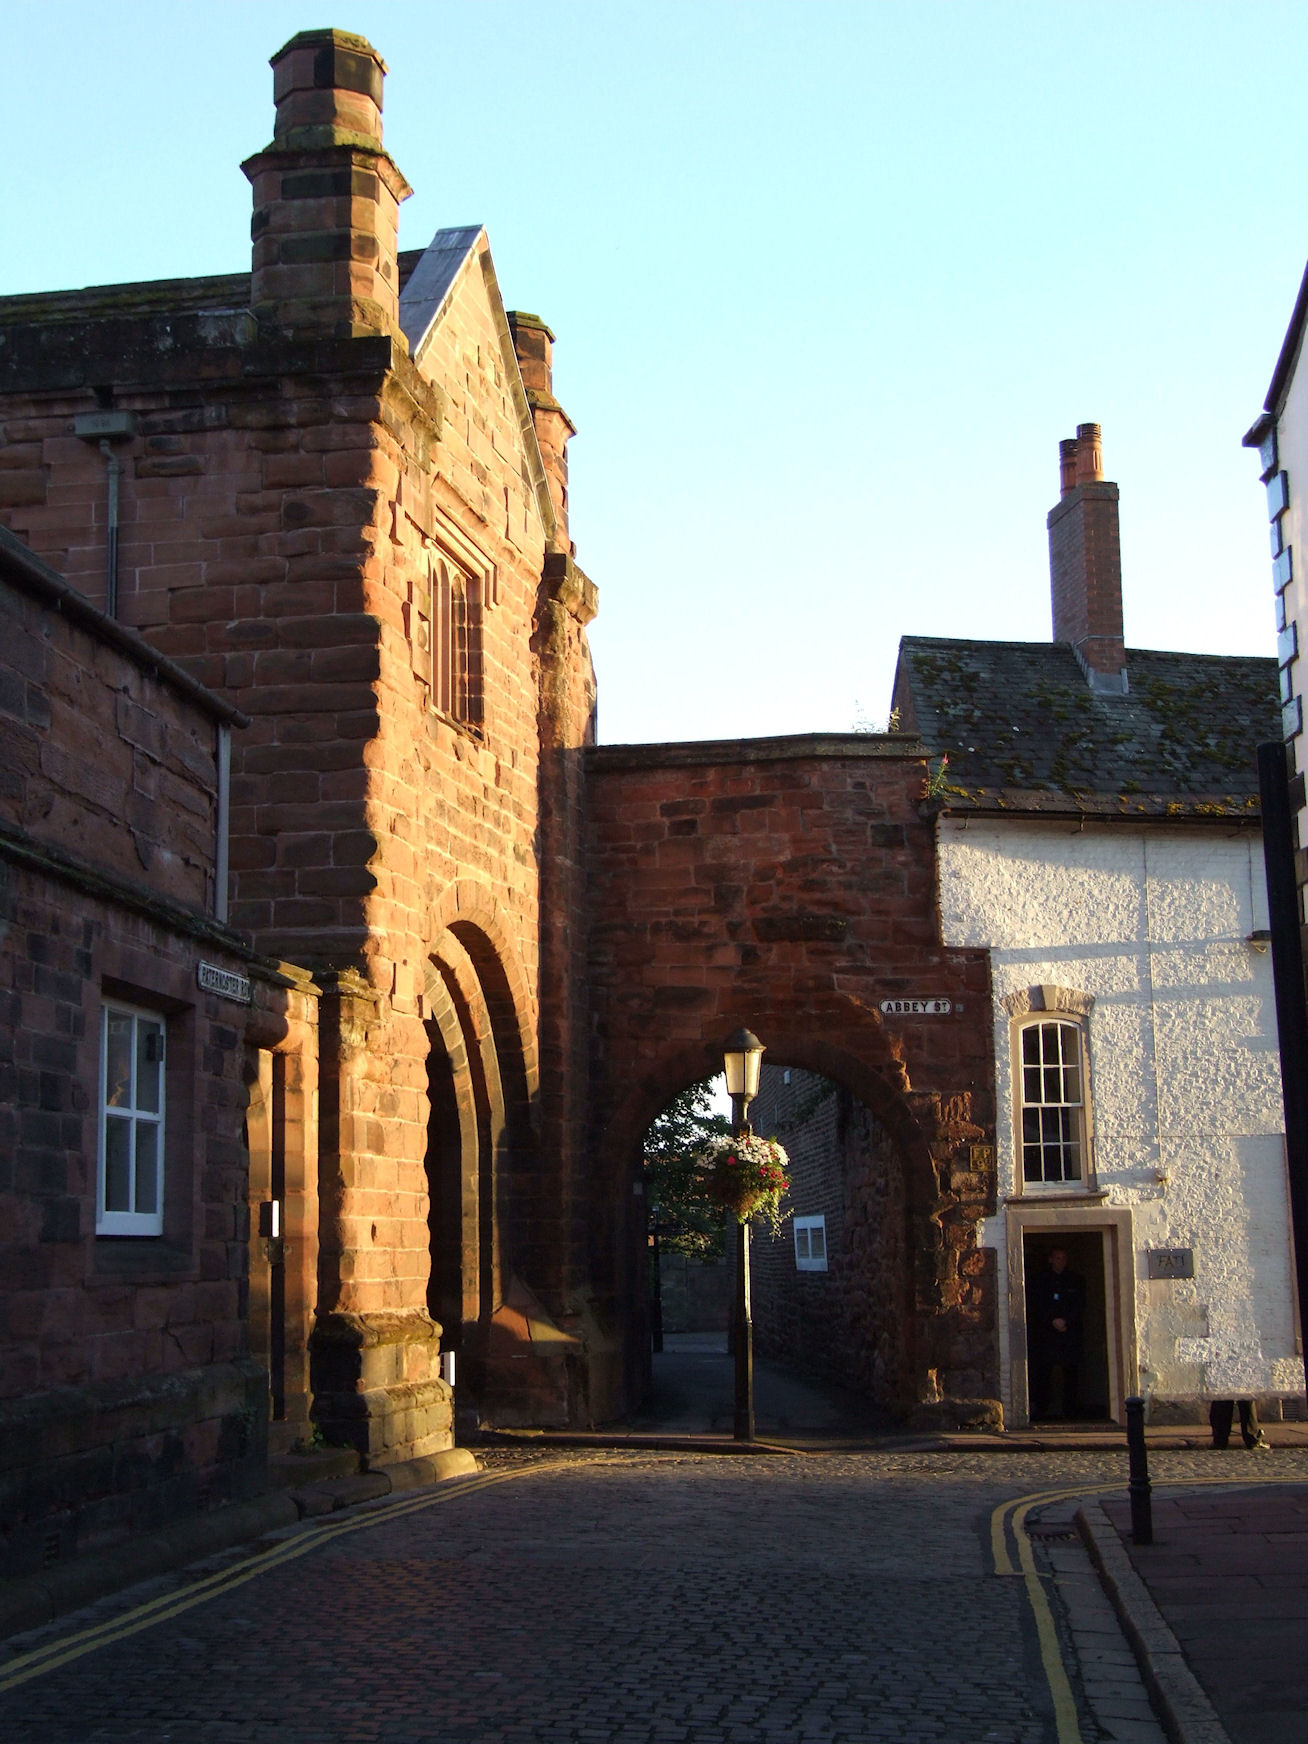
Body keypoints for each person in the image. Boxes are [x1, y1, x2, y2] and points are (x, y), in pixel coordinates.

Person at [1026, 1246, 1086, 1420]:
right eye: (1057, 1258)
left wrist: (1066, 1320)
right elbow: (1036, 1304)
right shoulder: (1040, 1281)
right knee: (1044, 1371)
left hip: (1069, 1333)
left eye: (1063, 1258)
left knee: (1071, 1372)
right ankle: (1042, 1408)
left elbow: (1079, 1304)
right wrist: (1051, 1319)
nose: (1061, 1261)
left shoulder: (1075, 1280)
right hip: (1046, 1334)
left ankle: (1071, 1409)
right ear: (1050, 1259)